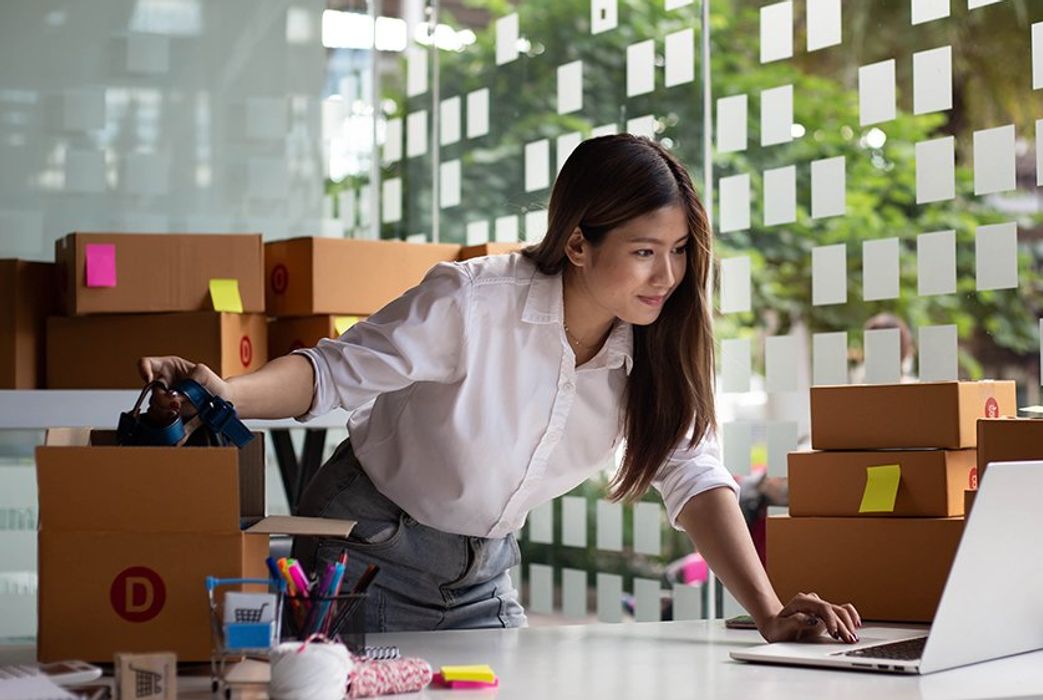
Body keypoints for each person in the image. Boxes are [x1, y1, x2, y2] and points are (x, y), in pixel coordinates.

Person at [139, 134, 861, 643]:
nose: (666, 277)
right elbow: (333, 372)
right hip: (369, 558)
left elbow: (694, 474)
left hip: (486, 573)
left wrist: (767, 612)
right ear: (578, 243)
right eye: (643, 252)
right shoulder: (472, 302)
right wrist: (226, 393)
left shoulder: (661, 346)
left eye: (677, 252)